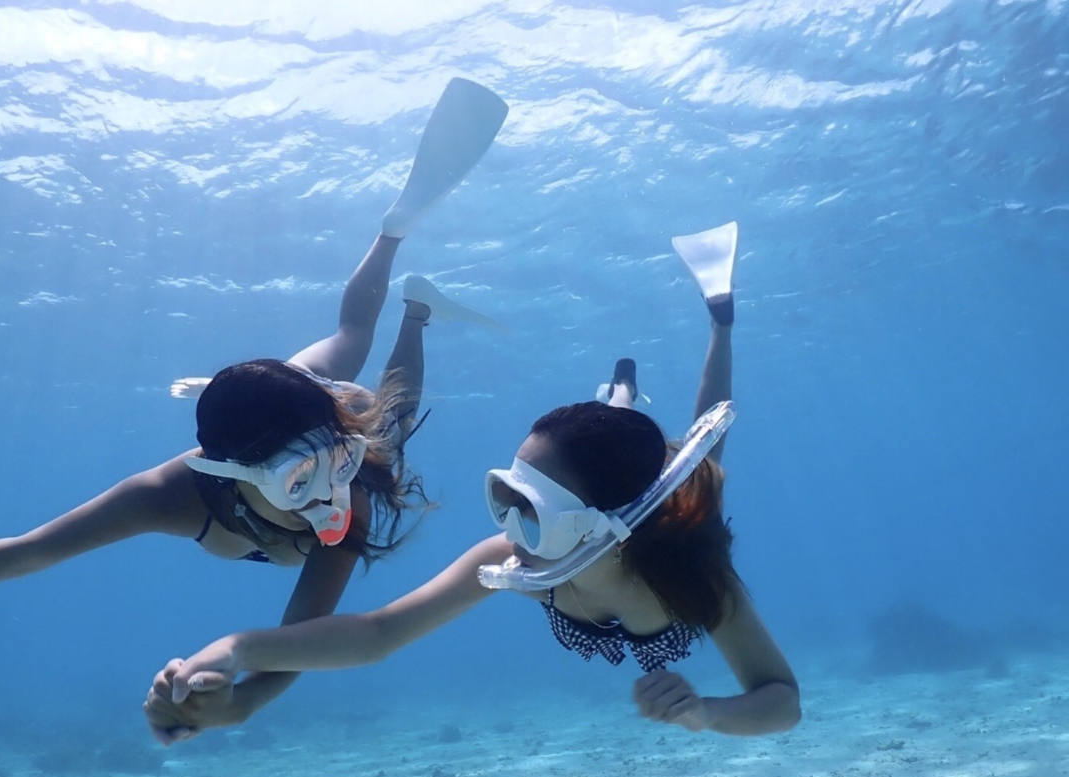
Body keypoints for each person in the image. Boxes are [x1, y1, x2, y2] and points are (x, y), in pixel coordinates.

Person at [0, 78, 510, 730]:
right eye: (301, 482)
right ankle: (414, 305)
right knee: (362, 394)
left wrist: (346, 446)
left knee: (381, 403)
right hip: (280, 415)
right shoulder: (169, 497)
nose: (333, 495)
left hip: (315, 403)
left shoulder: (340, 470)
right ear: (226, 476)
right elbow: (29, 553)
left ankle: (398, 250)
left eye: (336, 466)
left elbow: (306, 639)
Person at [144, 222, 801, 742]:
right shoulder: (516, 555)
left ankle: (719, 318)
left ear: (605, 528)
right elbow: (377, 635)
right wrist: (233, 650)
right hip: (614, 500)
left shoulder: (693, 575)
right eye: (506, 496)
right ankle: (617, 400)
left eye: (531, 509)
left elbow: (782, 702)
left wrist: (708, 713)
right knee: (620, 427)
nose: (510, 535)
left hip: (665, 520)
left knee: (706, 452)